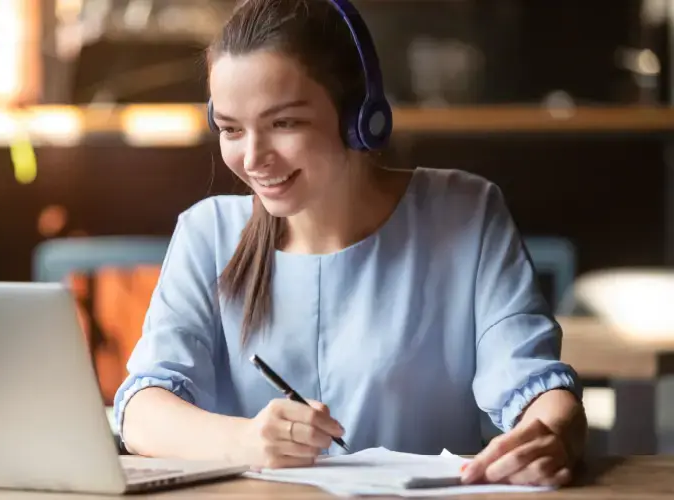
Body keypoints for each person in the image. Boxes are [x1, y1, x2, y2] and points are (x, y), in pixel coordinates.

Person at [115, 0, 587, 487]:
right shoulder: (207, 232)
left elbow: (533, 383)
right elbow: (142, 412)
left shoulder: (464, 213)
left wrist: (552, 434)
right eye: (232, 129)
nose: (253, 158)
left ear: (359, 116)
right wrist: (247, 440)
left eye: (283, 123)